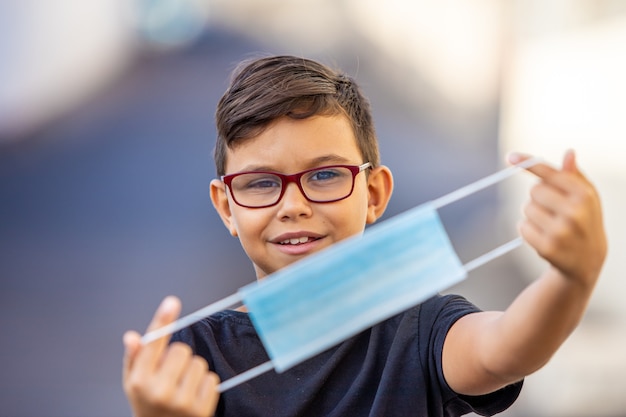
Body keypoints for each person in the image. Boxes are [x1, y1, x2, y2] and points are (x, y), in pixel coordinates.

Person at [122, 55, 607, 417]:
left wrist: (572, 278)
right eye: (261, 183)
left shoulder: (421, 329)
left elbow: (504, 347)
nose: (294, 205)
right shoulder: (192, 358)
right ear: (227, 207)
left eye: (326, 175)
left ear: (373, 193)